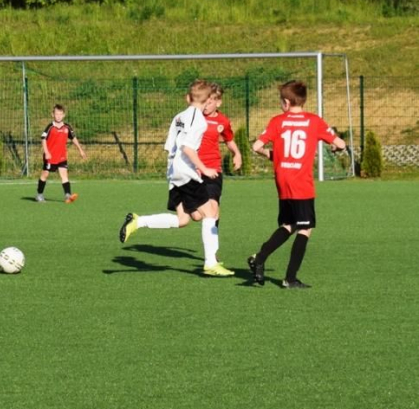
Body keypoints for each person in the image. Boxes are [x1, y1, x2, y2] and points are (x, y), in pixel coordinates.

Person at [119, 79, 234, 277]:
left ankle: (138, 221)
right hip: (186, 173)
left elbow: (169, 147)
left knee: (183, 220)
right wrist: (203, 169)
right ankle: (210, 263)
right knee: (211, 213)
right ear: (207, 101)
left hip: (173, 172)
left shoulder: (179, 116)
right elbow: (187, 148)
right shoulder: (199, 120)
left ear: (188, 98)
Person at [248, 80, 346, 288]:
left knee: (289, 225)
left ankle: (260, 258)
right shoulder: (314, 121)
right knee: (305, 228)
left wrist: (271, 154)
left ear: (285, 102)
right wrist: (337, 148)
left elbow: (256, 146)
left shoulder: (277, 121)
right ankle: (289, 278)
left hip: (283, 181)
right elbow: (340, 143)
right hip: (301, 182)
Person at [197, 83, 242, 232]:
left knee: (213, 208)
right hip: (194, 169)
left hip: (213, 168)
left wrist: (237, 153)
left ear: (218, 102)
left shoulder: (223, 121)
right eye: (205, 101)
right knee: (195, 216)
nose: (207, 105)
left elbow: (229, 140)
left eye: (211, 101)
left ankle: (212, 253)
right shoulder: (194, 117)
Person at [35, 104, 87, 203]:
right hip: (50, 156)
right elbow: (43, 139)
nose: (58, 116)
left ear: (64, 115)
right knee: (45, 174)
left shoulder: (67, 127)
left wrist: (80, 149)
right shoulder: (50, 127)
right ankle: (39, 194)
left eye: (60, 114)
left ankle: (68, 195)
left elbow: (73, 138)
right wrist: (46, 152)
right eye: (56, 114)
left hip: (61, 156)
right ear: (52, 115)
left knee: (64, 175)